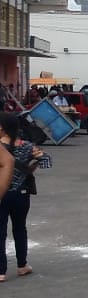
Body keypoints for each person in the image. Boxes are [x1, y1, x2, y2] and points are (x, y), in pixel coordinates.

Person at [0, 112, 43, 282]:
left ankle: (1, 271)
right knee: (19, 228)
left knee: (0, 231)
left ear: (2, 128)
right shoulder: (26, 146)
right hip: (21, 194)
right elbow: (47, 161)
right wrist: (33, 165)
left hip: (1, 193)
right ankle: (22, 265)